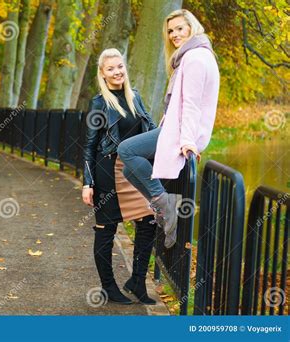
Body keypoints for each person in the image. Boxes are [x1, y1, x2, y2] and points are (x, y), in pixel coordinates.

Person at [117, 9, 220, 249]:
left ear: (192, 28)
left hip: (181, 132)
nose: (174, 34)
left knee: (127, 150)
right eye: (170, 30)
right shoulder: (195, 56)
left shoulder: (195, 58)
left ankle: (164, 203)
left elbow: (192, 104)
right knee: (130, 172)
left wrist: (188, 141)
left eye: (180, 28)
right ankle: (163, 205)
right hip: (178, 129)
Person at [82, 48, 158, 305]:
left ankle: (137, 281)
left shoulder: (135, 97)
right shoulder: (99, 103)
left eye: (120, 66)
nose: (117, 72)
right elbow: (90, 145)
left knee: (148, 222)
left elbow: (151, 130)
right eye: (111, 69)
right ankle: (109, 287)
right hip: (108, 171)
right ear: (102, 74)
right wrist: (87, 182)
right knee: (106, 229)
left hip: (135, 169)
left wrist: (181, 144)